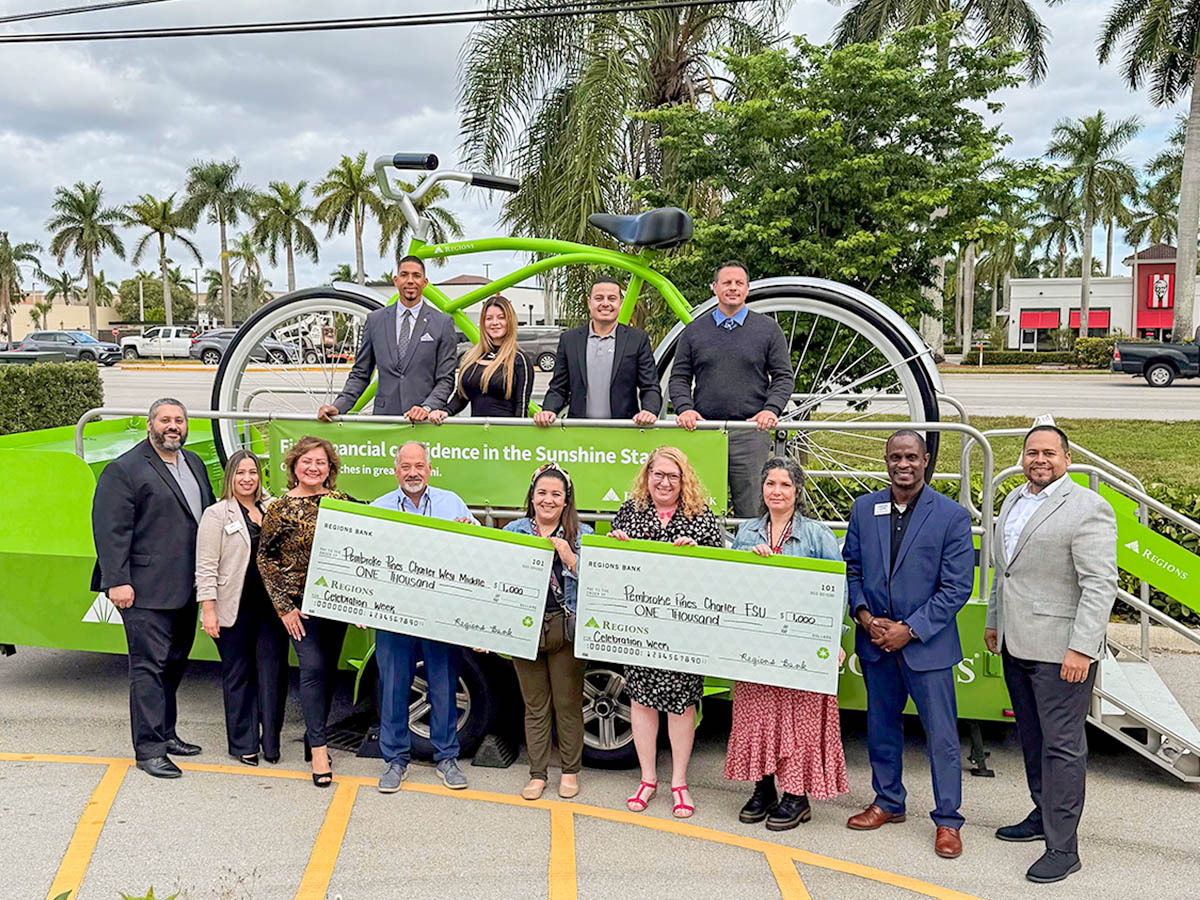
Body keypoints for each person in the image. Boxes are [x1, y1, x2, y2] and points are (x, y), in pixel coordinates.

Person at [985, 424, 1117, 884]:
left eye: (1049, 453)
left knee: (1063, 747)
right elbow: (1007, 572)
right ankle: (1042, 816)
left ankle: (1064, 847)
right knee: (1033, 738)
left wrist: (1082, 647)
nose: (1039, 459)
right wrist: (993, 622)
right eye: (1031, 452)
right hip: (1016, 643)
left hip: (1062, 650)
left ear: (1066, 457)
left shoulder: (1088, 508)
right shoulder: (1015, 500)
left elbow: (1100, 584)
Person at [841, 430, 975, 859]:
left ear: (926, 459)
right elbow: (853, 570)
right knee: (881, 728)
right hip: (876, 643)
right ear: (886, 460)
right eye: (896, 456)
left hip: (926, 647)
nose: (904, 464)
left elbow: (957, 588)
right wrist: (864, 616)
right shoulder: (864, 509)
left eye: (912, 457)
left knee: (941, 737)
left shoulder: (951, 516)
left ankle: (948, 821)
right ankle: (888, 802)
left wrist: (910, 630)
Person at [90, 397, 216, 778]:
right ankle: (148, 749)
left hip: (185, 587)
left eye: (179, 420)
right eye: (165, 420)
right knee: (148, 667)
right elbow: (110, 531)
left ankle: (167, 733)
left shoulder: (192, 462)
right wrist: (118, 581)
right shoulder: (124, 469)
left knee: (175, 664)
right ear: (151, 424)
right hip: (143, 590)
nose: (172, 426)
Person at [725, 457, 850, 830]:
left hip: (801, 644)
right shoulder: (747, 532)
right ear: (762, 489)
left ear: (797, 491)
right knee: (758, 715)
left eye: (785, 485)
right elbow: (728, 580)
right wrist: (749, 559)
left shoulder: (816, 535)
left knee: (799, 721)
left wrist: (833, 637)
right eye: (770, 484)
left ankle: (797, 795)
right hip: (757, 645)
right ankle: (763, 787)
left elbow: (837, 589)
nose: (776, 492)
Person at [609, 446, 724, 818]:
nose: (664, 482)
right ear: (647, 476)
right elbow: (613, 567)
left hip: (684, 628)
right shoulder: (630, 511)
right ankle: (647, 779)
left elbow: (719, 571)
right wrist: (618, 547)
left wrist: (698, 553)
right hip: (640, 625)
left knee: (682, 705)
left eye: (672, 476)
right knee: (641, 701)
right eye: (658, 474)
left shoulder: (700, 517)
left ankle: (678, 782)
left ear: (683, 479)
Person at [372, 441, 479, 794]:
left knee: (444, 683)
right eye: (406, 466)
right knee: (393, 686)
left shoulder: (453, 504)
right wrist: (361, 605)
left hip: (441, 613)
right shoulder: (379, 508)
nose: (413, 472)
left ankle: (446, 757)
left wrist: (470, 531)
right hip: (394, 614)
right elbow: (365, 564)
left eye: (419, 466)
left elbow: (479, 551)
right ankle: (395, 760)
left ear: (429, 469)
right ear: (396, 470)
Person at [258, 436, 355, 788]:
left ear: (330, 469)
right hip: (299, 606)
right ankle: (318, 749)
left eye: (321, 463)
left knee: (328, 671)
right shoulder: (279, 508)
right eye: (307, 462)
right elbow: (265, 558)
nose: (314, 468)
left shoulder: (343, 502)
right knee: (312, 669)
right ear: (294, 465)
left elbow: (368, 541)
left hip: (337, 604)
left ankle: (317, 736)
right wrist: (284, 608)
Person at [668, 261, 792, 516]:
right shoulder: (694, 331)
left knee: (752, 512)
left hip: (750, 433)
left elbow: (783, 377)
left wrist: (771, 410)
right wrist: (685, 409)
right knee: (698, 511)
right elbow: (679, 377)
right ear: (714, 288)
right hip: (704, 432)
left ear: (747, 288)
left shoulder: (768, 330)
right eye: (726, 283)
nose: (732, 288)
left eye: (739, 283)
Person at [503, 464, 593, 801]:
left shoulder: (580, 534)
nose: (548, 500)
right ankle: (537, 773)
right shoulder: (514, 530)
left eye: (556, 494)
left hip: (563, 627)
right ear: (532, 496)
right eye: (542, 493)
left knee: (568, 704)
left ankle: (570, 771)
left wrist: (572, 560)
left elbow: (597, 582)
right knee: (535, 705)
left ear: (566, 499)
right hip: (524, 629)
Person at [195, 450, 287, 766]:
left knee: (273, 675)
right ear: (230, 477)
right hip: (233, 608)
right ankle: (243, 743)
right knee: (239, 675)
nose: (247, 478)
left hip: (272, 610)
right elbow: (205, 566)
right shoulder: (217, 514)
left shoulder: (272, 507)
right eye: (240, 473)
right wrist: (208, 609)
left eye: (252, 472)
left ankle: (271, 742)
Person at [317, 255, 456, 422]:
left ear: (425, 282)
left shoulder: (442, 323)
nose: (410, 280)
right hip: (384, 421)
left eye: (416, 276)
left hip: (424, 423)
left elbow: (446, 379)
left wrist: (427, 407)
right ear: (396, 280)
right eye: (404, 275)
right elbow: (360, 374)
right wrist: (339, 406)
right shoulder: (375, 320)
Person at [534, 276, 661, 426]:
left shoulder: (637, 340)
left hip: (625, 431)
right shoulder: (569, 340)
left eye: (611, 298)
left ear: (620, 303)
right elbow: (559, 387)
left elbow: (650, 386)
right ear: (589, 302)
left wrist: (650, 410)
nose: (605, 304)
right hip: (579, 432)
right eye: (599, 298)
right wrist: (549, 410)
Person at [429, 295, 532, 422]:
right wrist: (445, 411)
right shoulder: (471, 356)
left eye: (501, 318)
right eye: (489, 318)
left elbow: (521, 408)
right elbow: (461, 397)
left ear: (510, 321)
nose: (495, 323)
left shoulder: (519, 359)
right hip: (476, 434)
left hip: (505, 435)